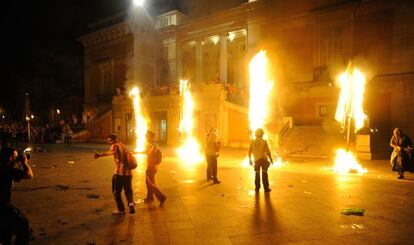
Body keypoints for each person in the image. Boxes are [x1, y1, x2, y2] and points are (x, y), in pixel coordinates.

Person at [94, 134, 135, 215]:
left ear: (111, 140)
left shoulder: (115, 145)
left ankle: (121, 209)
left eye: (108, 140)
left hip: (119, 173)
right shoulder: (122, 145)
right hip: (129, 173)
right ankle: (131, 203)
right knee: (128, 191)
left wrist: (99, 155)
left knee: (116, 191)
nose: (108, 142)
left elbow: (110, 152)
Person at [0, 147, 34, 244]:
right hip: (3, 207)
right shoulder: (8, 169)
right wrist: (25, 163)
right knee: (24, 225)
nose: (16, 159)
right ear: (10, 158)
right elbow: (29, 175)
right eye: (15, 157)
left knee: (5, 231)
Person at [139, 131, 166, 207]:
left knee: (150, 182)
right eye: (146, 136)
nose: (146, 137)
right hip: (151, 166)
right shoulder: (152, 145)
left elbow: (152, 155)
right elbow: (147, 152)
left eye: (147, 136)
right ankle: (150, 198)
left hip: (152, 167)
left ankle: (161, 197)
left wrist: (151, 164)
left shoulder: (152, 145)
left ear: (151, 137)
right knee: (148, 182)